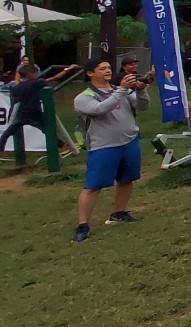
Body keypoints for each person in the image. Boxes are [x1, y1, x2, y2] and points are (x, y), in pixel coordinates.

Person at [72, 58, 148, 242]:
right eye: (102, 69)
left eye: (108, 68)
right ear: (90, 73)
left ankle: (119, 213)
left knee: (126, 179)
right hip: (103, 146)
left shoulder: (120, 90)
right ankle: (83, 225)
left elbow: (143, 106)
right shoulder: (84, 97)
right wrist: (122, 89)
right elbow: (100, 109)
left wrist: (141, 90)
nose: (107, 71)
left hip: (129, 141)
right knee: (93, 186)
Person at [1, 62, 81, 155]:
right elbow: (55, 77)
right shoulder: (35, 83)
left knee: (8, 132)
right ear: (30, 74)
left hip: (22, 113)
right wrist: (69, 69)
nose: (37, 75)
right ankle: (63, 146)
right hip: (34, 112)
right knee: (49, 130)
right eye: (35, 73)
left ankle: (0, 149)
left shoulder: (17, 87)